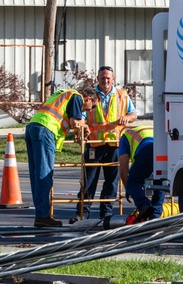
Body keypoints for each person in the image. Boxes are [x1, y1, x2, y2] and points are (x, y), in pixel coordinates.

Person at [24, 87, 97, 228]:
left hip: (33, 127)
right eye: (91, 107)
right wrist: (85, 126)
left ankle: (41, 214)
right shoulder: (77, 97)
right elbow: (75, 122)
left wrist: (77, 129)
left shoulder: (64, 93)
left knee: (36, 175)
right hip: (46, 130)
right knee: (44, 175)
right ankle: (43, 216)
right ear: (88, 99)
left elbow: (69, 118)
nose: (90, 111)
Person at [79, 66, 137, 224]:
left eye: (108, 78)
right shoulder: (90, 96)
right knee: (89, 180)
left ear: (113, 79)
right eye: (102, 78)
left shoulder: (121, 95)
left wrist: (127, 118)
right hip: (94, 143)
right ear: (97, 79)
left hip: (114, 144)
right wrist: (82, 127)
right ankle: (82, 213)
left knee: (111, 182)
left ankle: (106, 214)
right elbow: (82, 115)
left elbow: (133, 114)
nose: (105, 81)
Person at [119, 126, 161, 223]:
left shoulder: (125, 137)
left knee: (133, 183)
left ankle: (144, 205)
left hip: (146, 151)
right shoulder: (151, 129)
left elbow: (123, 167)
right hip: (162, 149)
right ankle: (155, 215)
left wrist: (128, 188)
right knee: (160, 182)